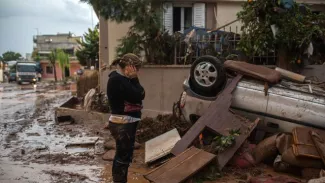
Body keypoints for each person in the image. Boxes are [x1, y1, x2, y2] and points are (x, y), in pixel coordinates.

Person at [106, 53, 145, 183]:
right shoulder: (117, 80)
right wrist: (134, 79)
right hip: (122, 124)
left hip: (125, 123)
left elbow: (141, 93)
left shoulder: (122, 79)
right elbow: (138, 94)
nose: (137, 72)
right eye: (136, 69)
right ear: (130, 67)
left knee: (124, 157)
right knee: (123, 158)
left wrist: (133, 80)